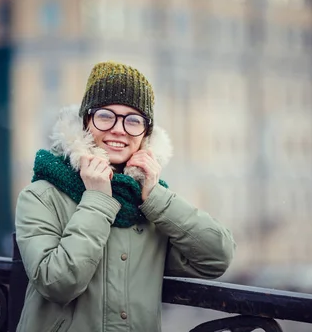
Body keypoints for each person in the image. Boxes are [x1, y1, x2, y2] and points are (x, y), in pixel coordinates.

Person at [15, 61, 236, 332]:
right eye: (106, 116)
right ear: (86, 121)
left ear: (146, 134)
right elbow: (57, 283)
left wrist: (156, 197)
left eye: (133, 120)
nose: (119, 129)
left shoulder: (148, 204)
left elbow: (217, 256)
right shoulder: (42, 196)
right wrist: (97, 200)